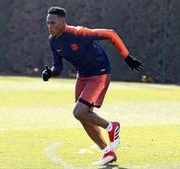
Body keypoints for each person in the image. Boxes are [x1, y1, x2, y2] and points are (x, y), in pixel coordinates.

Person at [42, 7, 143, 166]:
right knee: (83, 116)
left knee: (79, 112)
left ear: (62, 22)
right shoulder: (53, 41)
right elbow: (58, 67)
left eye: (52, 22)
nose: (49, 26)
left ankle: (112, 126)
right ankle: (107, 152)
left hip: (99, 73)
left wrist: (126, 56)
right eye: (47, 23)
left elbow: (110, 33)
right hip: (82, 75)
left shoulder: (78, 33)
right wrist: (50, 73)